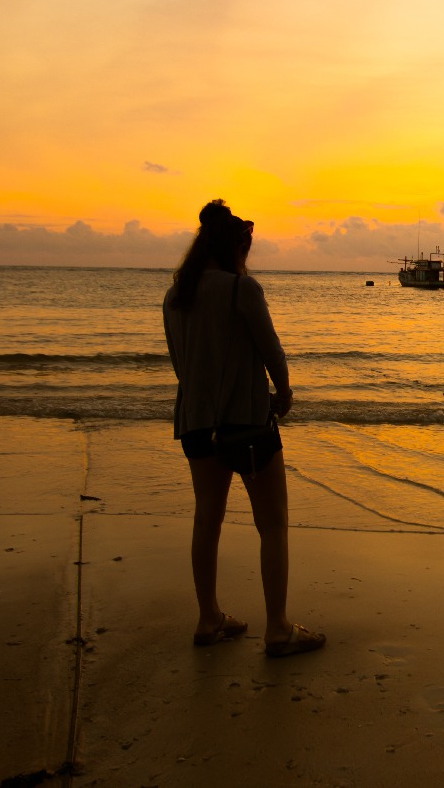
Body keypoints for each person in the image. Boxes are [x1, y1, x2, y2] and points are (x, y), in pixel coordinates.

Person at [163, 199, 326, 658]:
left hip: (197, 426)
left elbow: (182, 366)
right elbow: (271, 351)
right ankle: (277, 627)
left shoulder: (176, 295)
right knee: (272, 525)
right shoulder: (242, 290)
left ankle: (209, 617)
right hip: (248, 427)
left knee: (206, 521)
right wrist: (285, 395)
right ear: (237, 247)